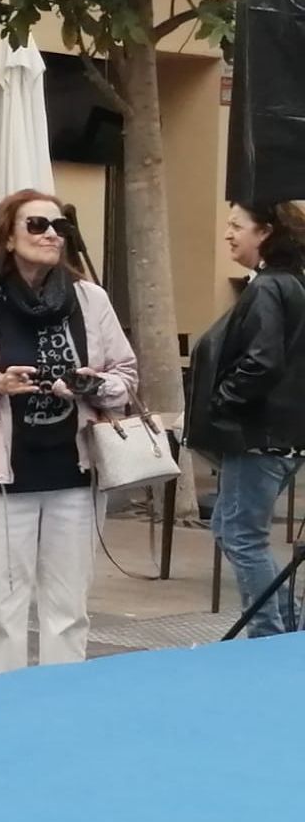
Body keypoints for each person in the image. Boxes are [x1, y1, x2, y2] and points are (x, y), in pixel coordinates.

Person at [0, 191, 137, 673]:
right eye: (37, 224)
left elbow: (126, 378)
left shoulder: (89, 298)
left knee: (67, 612)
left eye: (60, 226)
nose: (51, 234)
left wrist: (89, 383)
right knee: (3, 611)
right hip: (3, 476)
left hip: (75, 472)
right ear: (7, 237)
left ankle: (61, 711)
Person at [188, 200, 305, 638]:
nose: (228, 234)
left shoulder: (268, 288)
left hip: (259, 435)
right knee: (230, 527)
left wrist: (222, 402)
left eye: (237, 225)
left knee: (240, 534)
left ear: (266, 233)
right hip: (280, 435)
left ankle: (271, 631)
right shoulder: (290, 284)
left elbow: (262, 361)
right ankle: (285, 624)